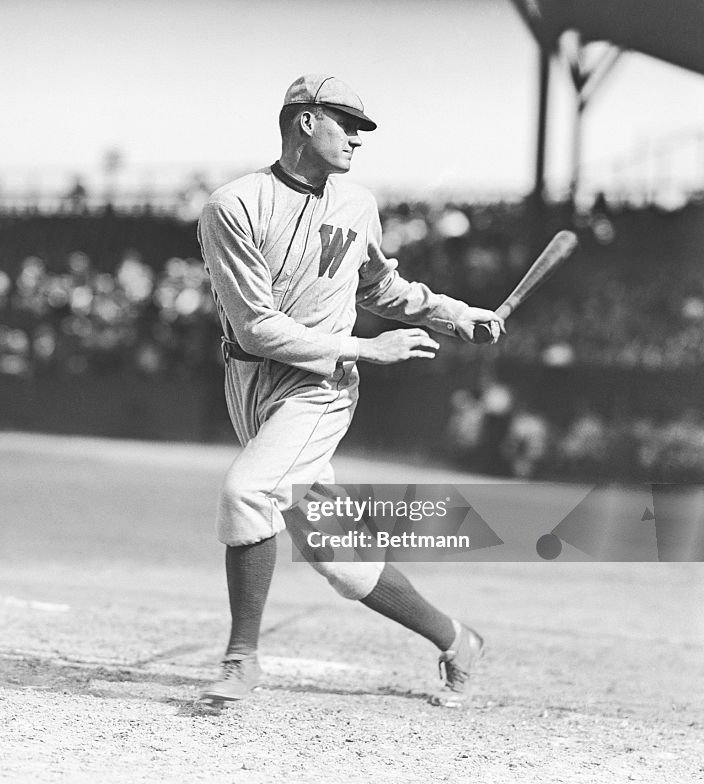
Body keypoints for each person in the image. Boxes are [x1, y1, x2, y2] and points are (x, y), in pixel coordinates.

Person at [196, 74, 504, 705]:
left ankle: (240, 659)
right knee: (337, 553)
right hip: (253, 376)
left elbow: (379, 289)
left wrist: (455, 313)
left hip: (322, 385)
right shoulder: (234, 205)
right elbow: (257, 330)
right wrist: (368, 345)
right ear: (305, 122)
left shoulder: (357, 204)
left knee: (247, 491)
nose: (358, 140)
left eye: (362, 130)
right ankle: (456, 639)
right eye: (347, 124)